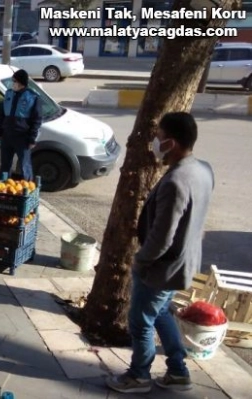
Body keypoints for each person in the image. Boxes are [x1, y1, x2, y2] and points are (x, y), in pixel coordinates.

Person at [106, 112, 215, 394]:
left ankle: (139, 375)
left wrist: (140, 262)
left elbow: (162, 237)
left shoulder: (176, 182)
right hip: (183, 264)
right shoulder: (203, 169)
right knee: (162, 312)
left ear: (172, 143)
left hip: (160, 268)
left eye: (159, 137)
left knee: (140, 322)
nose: (155, 142)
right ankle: (178, 372)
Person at [0, 69, 42, 182]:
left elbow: (36, 120)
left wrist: (32, 139)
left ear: (21, 82)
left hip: (22, 137)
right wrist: (0, 130)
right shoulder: (8, 94)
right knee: (5, 164)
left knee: (24, 165)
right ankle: (4, 185)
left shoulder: (33, 97)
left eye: (14, 81)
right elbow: (3, 114)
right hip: (7, 135)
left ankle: (28, 189)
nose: (13, 83)